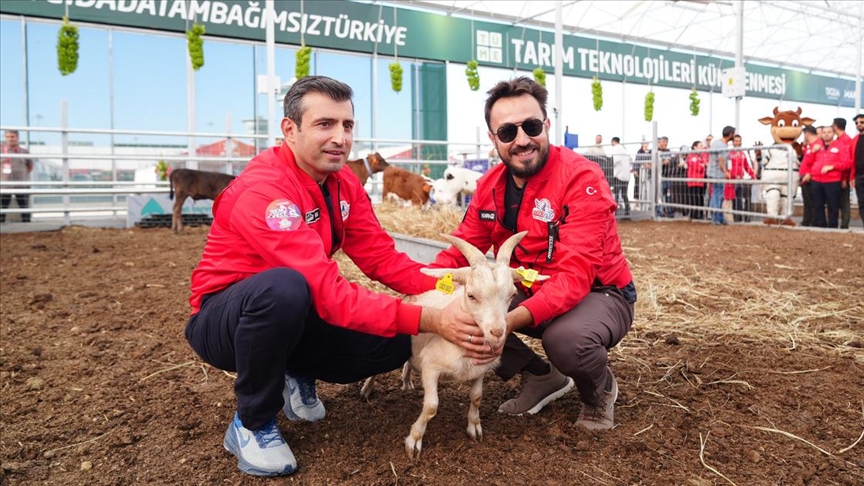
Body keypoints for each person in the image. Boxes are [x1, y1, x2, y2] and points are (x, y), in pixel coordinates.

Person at [184, 76, 492, 477]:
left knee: (398, 339)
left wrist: (453, 284)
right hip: (226, 319)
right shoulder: (265, 192)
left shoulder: (343, 181)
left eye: (347, 125)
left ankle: (295, 371)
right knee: (285, 289)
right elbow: (324, 290)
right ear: (289, 130)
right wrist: (434, 318)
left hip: (295, 310)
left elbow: (382, 258)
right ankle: (252, 422)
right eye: (324, 124)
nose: (340, 138)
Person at [431, 77, 636, 430]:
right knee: (462, 309)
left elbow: (575, 276)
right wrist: (421, 292)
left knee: (567, 341)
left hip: (598, 292)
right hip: (533, 286)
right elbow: (462, 249)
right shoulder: (490, 185)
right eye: (508, 132)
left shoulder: (581, 178)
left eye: (532, 126)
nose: (523, 140)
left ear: (547, 125)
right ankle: (542, 375)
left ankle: (599, 392)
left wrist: (507, 321)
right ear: (493, 139)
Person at [810, 125, 849, 228]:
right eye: (824, 132)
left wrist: (832, 166)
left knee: (833, 205)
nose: (826, 134)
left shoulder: (840, 146)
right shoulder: (818, 147)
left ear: (833, 133)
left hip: (832, 180)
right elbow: (808, 161)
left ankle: (832, 226)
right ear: (821, 134)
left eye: (829, 132)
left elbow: (847, 163)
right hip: (816, 180)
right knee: (818, 205)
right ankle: (821, 225)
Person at [1, 129, 34, 223]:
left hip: (21, 184)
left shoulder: (24, 152)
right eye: (7, 137)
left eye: (12, 137)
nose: (10, 139)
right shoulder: (1, 151)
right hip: (4, 185)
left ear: (17, 138)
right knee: (2, 208)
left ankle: (28, 228)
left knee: (24, 208)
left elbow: (30, 167)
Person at [708, 126, 734, 225]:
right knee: (718, 195)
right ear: (730, 134)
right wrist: (726, 171)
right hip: (718, 174)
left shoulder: (715, 143)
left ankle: (718, 217)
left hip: (712, 172)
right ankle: (716, 218)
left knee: (716, 194)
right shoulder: (722, 146)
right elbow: (721, 161)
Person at [726, 135, 756, 222]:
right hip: (732, 180)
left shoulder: (742, 153)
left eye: (739, 141)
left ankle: (738, 217)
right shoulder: (729, 153)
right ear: (733, 142)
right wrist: (734, 176)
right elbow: (728, 167)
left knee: (739, 199)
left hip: (740, 180)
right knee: (733, 199)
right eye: (736, 141)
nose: (738, 143)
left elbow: (746, 166)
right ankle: (734, 217)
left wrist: (753, 176)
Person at [831, 118, 853, 229]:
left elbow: (848, 161)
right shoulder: (839, 140)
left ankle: (844, 224)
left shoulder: (846, 140)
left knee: (844, 201)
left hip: (842, 176)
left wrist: (844, 178)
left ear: (836, 126)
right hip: (837, 176)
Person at [797, 125, 821, 227]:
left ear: (807, 134)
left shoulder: (817, 145)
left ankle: (812, 221)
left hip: (810, 176)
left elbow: (817, 161)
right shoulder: (810, 146)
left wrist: (809, 173)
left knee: (812, 201)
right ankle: (807, 220)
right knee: (807, 200)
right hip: (805, 175)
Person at [608, 136, 631, 216]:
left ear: (612, 141)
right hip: (626, 176)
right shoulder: (624, 149)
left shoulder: (616, 148)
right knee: (624, 194)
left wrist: (610, 165)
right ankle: (627, 211)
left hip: (618, 175)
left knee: (616, 194)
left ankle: (615, 212)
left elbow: (615, 160)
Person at [685, 140, 708, 220]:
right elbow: (698, 167)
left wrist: (702, 165)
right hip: (693, 181)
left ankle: (700, 214)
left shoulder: (701, 156)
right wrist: (703, 165)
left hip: (700, 181)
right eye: (700, 146)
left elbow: (704, 165)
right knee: (694, 198)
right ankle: (694, 214)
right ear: (695, 147)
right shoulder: (691, 156)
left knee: (700, 198)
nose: (702, 147)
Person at [851, 114, 864, 226]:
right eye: (857, 123)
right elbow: (852, 160)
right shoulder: (855, 140)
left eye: (861, 122)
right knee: (861, 203)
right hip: (859, 176)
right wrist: (852, 177)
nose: (859, 124)